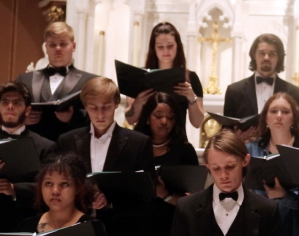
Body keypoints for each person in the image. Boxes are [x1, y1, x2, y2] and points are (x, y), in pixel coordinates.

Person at [57, 77, 155, 236]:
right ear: (85, 106)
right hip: (74, 227)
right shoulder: (66, 141)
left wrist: (110, 202)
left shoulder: (138, 143)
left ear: (117, 103)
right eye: (93, 107)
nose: (100, 114)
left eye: (106, 107)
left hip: (121, 229)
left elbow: (148, 200)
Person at [170, 130, 281, 236]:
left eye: (230, 166)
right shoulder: (186, 208)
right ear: (207, 165)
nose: (223, 176)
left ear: (245, 161)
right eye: (216, 168)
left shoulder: (267, 211)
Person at [246, 92, 299, 236]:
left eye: (285, 111)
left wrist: (286, 196)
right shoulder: (251, 149)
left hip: (296, 226)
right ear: (265, 117)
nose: (279, 116)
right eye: (273, 111)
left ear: (294, 118)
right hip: (258, 225)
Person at [16, 22, 97, 142]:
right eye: (52, 45)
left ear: (73, 46)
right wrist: (22, 118)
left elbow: (100, 115)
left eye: (63, 44)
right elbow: (9, 109)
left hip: (71, 150)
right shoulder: (25, 79)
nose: (58, 48)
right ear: (46, 47)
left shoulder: (91, 81)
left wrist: (73, 117)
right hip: (32, 149)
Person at [135, 92, 199, 236]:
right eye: (158, 116)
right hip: (137, 223)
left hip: (172, 224)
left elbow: (195, 201)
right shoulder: (133, 146)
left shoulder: (185, 151)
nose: (164, 121)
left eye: (170, 117)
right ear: (147, 118)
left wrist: (165, 195)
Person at [224, 34, 299, 142]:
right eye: (262, 53)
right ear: (254, 55)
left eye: (272, 54)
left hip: (282, 154)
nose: (266, 57)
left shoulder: (294, 93)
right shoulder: (234, 91)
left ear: (279, 57)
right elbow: (225, 131)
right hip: (244, 152)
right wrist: (235, 137)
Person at [125, 22, 204, 131]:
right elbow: (130, 119)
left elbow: (198, 123)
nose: (166, 51)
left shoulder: (190, 77)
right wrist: (138, 102)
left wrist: (192, 98)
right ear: (154, 48)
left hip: (176, 142)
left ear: (178, 46)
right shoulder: (140, 76)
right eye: (160, 47)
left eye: (170, 46)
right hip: (145, 142)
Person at [0, 81, 56, 232]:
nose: (10, 106)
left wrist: (14, 189)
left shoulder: (45, 146)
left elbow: (49, 187)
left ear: (27, 110)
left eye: (16, 102)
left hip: (26, 222)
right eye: (5, 102)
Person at [15, 153, 102, 232]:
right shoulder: (26, 226)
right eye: (48, 183)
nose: (55, 191)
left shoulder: (91, 228)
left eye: (64, 184)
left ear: (78, 188)